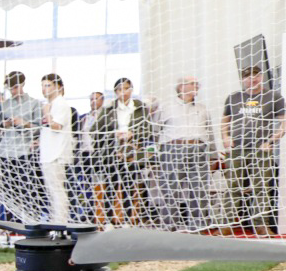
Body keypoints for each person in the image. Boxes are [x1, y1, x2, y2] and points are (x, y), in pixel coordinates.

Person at [222, 62, 286, 232]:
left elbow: (284, 123)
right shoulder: (234, 97)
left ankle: (261, 225)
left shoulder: (274, 96)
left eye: (256, 76)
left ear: (262, 77)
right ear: (243, 80)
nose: (252, 79)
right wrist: (225, 137)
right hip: (237, 148)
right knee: (233, 185)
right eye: (248, 77)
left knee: (261, 186)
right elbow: (225, 120)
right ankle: (227, 224)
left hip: (261, 149)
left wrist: (271, 141)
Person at [156, 76, 214, 229]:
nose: (197, 86)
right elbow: (155, 131)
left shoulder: (203, 108)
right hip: (172, 150)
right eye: (193, 84)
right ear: (181, 87)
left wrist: (213, 156)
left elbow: (210, 133)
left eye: (197, 84)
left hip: (199, 150)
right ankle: (169, 227)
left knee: (199, 189)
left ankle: (199, 226)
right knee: (170, 189)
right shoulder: (165, 107)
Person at [94, 77, 153, 225]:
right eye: (120, 90)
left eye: (126, 89)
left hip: (131, 154)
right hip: (112, 153)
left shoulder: (141, 108)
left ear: (131, 90)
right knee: (110, 188)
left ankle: (127, 220)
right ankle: (108, 221)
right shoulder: (108, 109)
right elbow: (95, 129)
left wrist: (133, 133)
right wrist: (114, 133)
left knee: (128, 187)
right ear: (115, 92)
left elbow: (148, 130)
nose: (123, 92)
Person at [0, 70, 44, 221]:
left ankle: (30, 220)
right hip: (6, 151)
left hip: (25, 150)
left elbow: (40, 129)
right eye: (11, 88)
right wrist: (5, 124)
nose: (14, 91)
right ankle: (11, 222)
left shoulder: (35, 103)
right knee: (9, 190)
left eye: (16, 87)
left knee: (28, 188)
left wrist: (24, 123)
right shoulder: (4, 105)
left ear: (22, 85)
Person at [38, 72, 74, 225]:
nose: (44, 89)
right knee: (52, 192)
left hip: (56, 155)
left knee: (57, 191)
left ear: (58, 87)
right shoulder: (53, 104)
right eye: (42, 86)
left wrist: (46, 113)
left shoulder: (60, 104)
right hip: (49, 154)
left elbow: (57, 126)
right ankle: (56, 222)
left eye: (48, 85)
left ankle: (60, 223)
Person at [71, 89, 107, 222]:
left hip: (99, 154)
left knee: (99, 184)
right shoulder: (84, 117)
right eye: (91, 99)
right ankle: (86, 212)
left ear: (102, 101)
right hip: (84, 154)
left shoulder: (106, 116)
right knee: (84, 184)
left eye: (96, 99)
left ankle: (99, 214)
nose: (93, 101)